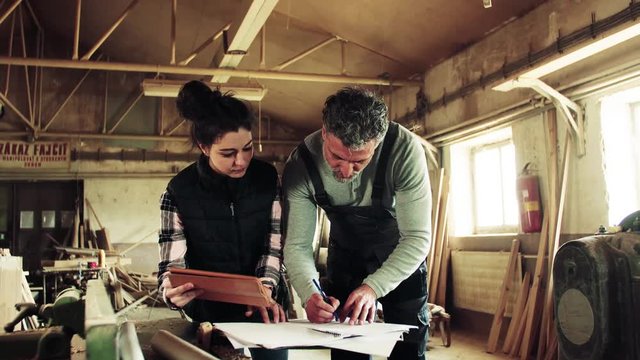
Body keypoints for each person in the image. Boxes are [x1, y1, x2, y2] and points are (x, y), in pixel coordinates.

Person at [282, 87, 432, 360]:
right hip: (347, 259)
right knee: (347, 352)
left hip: (401, 257)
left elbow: (417, 238)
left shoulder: (405, 150)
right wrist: (309, 294)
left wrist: (373, 287)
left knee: (409, 350)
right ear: (325, 132)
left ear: (378, 140)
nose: (347, 171)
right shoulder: (300, 164)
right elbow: (297, 245)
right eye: (337, 157)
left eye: (360, 161)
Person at [157, 80, 288, 360]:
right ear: (204, 147)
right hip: (209, 318)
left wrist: (264, 290)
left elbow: (273, 245)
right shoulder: (179, 192)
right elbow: (172, 265)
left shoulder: (267, 179)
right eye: (228, 153)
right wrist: (170, 292)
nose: (240, 161)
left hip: (267, 310)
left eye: (248, 148)